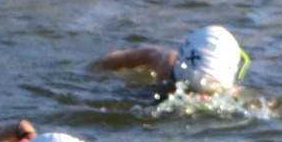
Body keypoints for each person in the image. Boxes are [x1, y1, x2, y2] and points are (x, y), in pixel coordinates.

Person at [92, 26, 250, 96]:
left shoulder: (166, 62)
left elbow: (114, 59)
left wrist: (97, 70)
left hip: (172, 83)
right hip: (218, 88)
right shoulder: (231, 89)